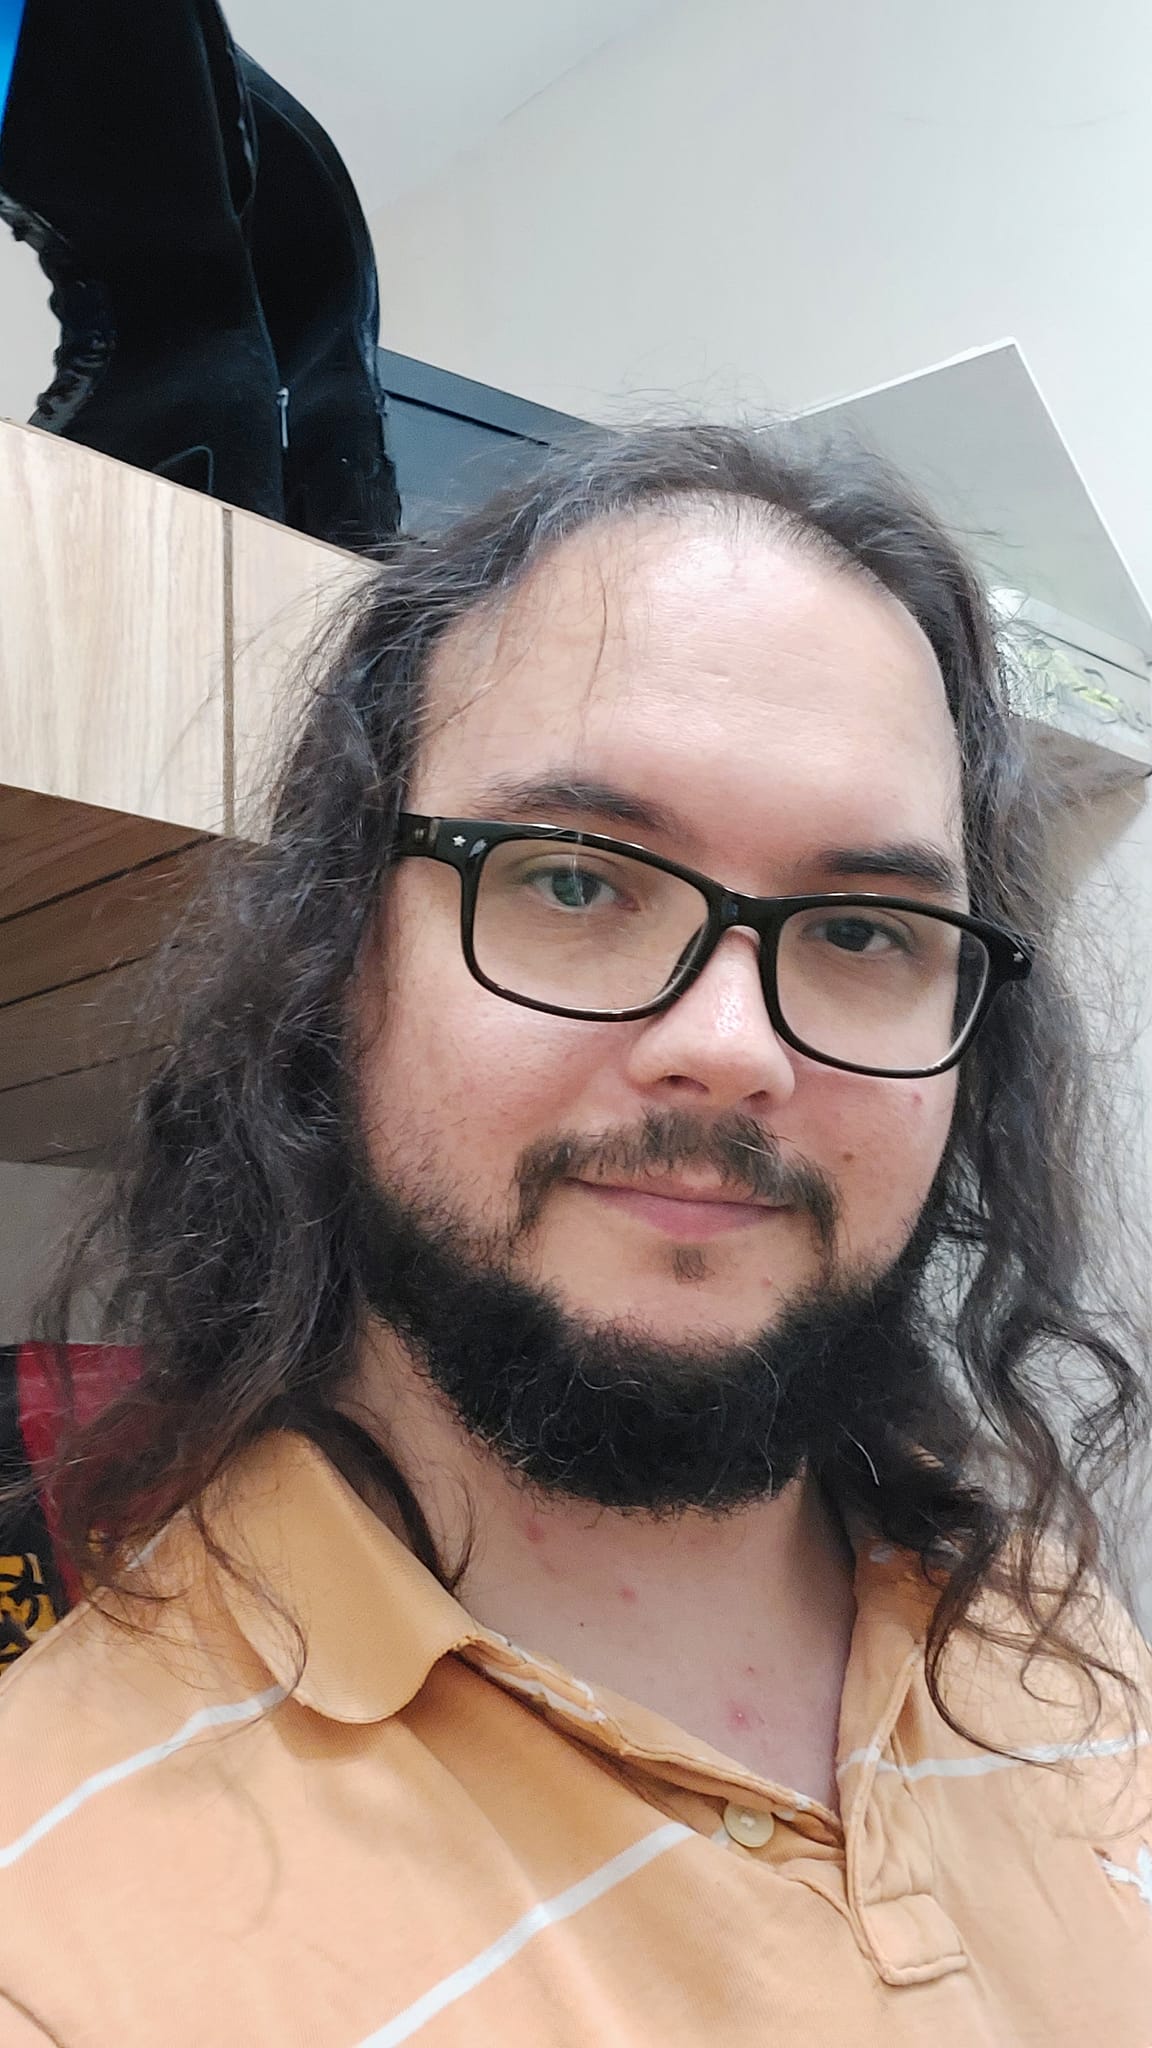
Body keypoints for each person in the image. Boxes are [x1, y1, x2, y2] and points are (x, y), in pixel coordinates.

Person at [0, 423, 1149, 2045]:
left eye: (867, 928)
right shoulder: (53, 1945)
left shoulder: (1046, 1618)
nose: (738, 1045)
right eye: (575, 881)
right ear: (340, 961)